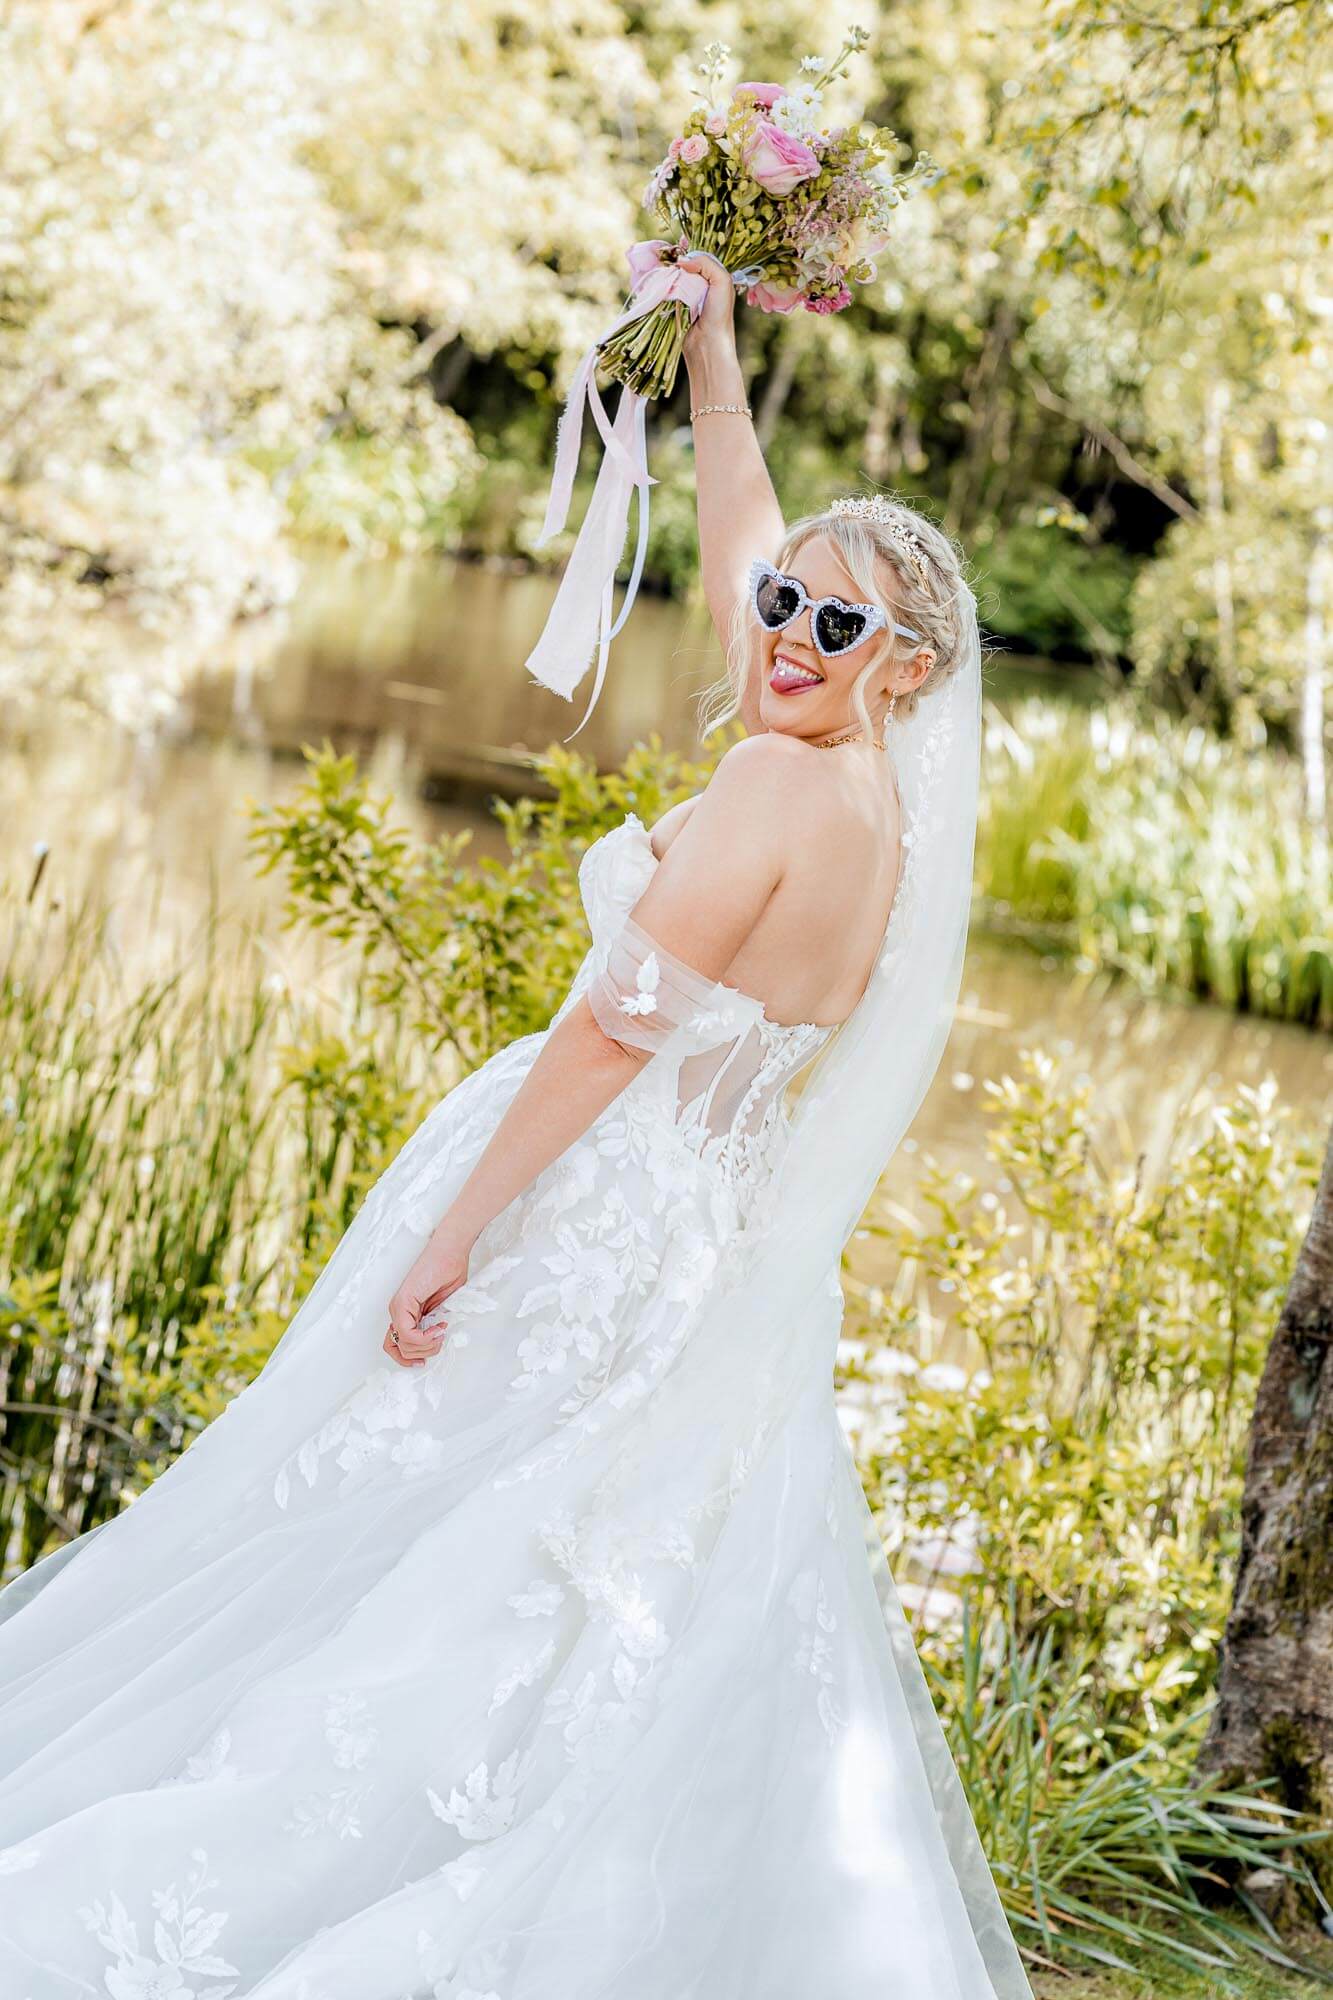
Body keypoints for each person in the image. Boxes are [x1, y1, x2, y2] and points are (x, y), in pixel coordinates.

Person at [0, 255, 1034, 1999]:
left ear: (908, 666)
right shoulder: (877, 811)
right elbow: (742, 543)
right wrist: (716, 352)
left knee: (385, 1527)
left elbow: (614, 1034)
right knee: (541, 1563)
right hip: (695, 1237)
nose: (783, 633)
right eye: (786, 604)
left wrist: (458, 1226)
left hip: (583, 1204)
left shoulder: (781, 780)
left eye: (832, 625)